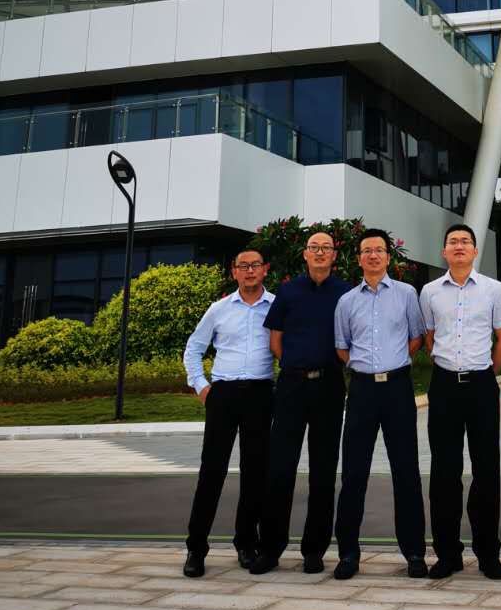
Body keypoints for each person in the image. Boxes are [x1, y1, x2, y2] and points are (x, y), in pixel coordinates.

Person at [250, 230, 352, 575]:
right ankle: (270, 549)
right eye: (314, 247)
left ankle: (314, 550)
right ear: (305, 254)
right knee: (280, 469)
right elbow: (275, 341)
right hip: (292, 386)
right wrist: (296, 366)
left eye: (326, 247)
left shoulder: (346, 293)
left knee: (323, 472)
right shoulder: (289, 291)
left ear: (334, 255)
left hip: (329, 386)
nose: (320, 252)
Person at [331, 228, 428, 580]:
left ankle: (414, 553)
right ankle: (348, 554)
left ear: (388, 256)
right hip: (361, 391)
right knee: (354, 472)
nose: (373, 255)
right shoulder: (346, 301)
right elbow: (342, 347)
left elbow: (416, 338)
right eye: (367, 250)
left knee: (406, 471)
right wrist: (367, 369)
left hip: (397, 389)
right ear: (358, 258)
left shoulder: (406, 294)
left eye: (379, 250)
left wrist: (392, 363)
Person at [420, 222, 501, 581]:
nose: (459, 246)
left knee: (486, 470)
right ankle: (447, 554)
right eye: (452, 242)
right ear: (444, 251)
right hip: (444, 386)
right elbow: (429, 337)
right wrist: (447, 366)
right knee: (444, 472)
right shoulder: (429, 291)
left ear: (475, 251)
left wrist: (489, 372)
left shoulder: (494, 290)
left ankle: (488, 554)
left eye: (465, 241)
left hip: (481, 386)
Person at [181, 246, 275, 578]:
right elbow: (193, 348)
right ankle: (196, 548)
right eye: (242, 266)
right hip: (223, 394)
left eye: (255, 265)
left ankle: (246, 543)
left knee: (255, 473)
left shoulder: (277, 306)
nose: (249, 271)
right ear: (234, 271)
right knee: (212, 472)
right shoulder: (218, 309)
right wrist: (201, 385)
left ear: (265, 269)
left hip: (261, 394)